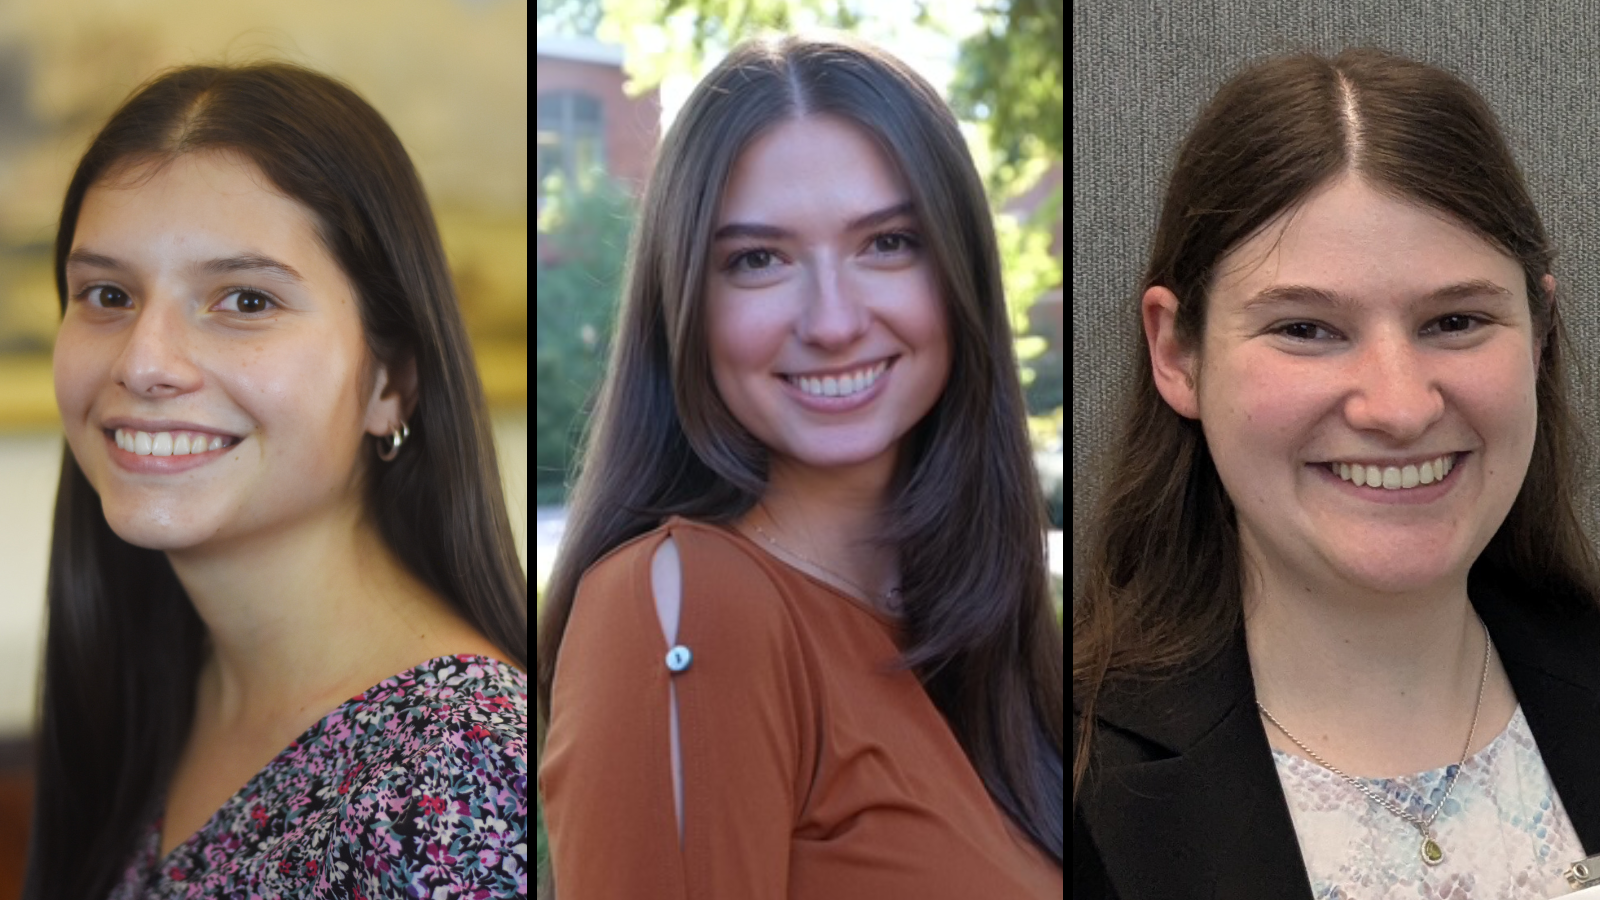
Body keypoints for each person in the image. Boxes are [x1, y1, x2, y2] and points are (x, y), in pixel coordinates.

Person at [536, 32, 1064, 899]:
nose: (831, 321)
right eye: (758, 260)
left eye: (888, 242)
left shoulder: (983, 628)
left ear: (958, 268)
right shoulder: (687, 604)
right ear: (687, 306)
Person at [1072, 47, 1600, 899]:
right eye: (1307, 330)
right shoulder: (1051, 779)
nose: (1398, 407)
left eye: (1456, 320)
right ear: (1178, 353)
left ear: (1538, 337)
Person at [29, 62, 528, 898]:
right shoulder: (160, 682)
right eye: (107, 293)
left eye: (246, 301)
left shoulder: (460, 771)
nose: (143, 362)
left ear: (391, 381)